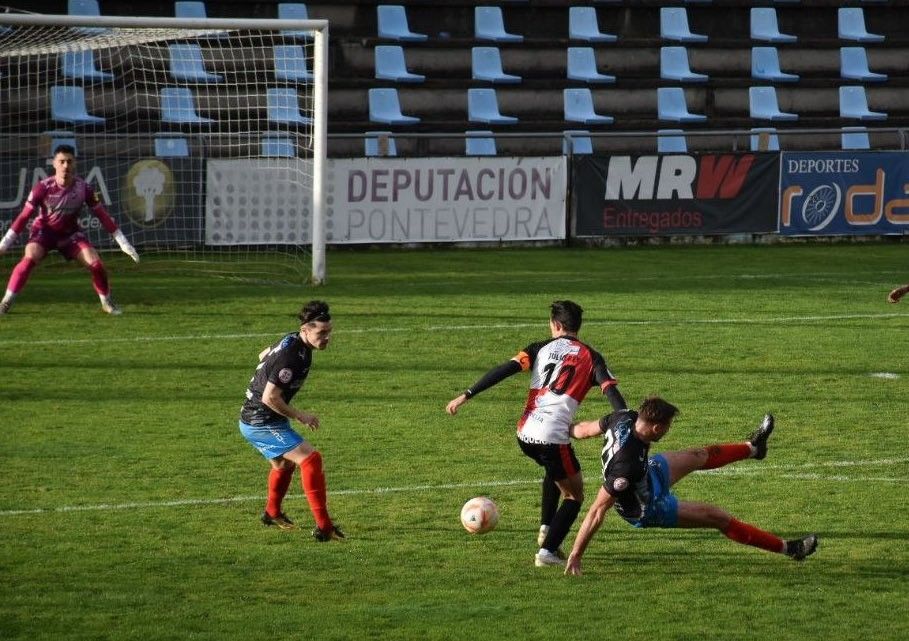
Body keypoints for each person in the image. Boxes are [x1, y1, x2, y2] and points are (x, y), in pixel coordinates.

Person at [446, 300, 627, 567]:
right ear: (577, 325)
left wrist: (467, 395)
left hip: (525, 432)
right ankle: (548, 552)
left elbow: (503, 370)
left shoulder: (539, 348)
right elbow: (611, 391)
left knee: (554, 471)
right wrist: (625, 420)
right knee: (574, 495)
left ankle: (546, 528)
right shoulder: (592, 357)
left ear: (555, 324)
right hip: (552, 436)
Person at [563, 397, 819, 576]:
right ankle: (791, 548)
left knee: (696, 455)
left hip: (647, 473)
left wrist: (560, 428)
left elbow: (584, 429)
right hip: (646, 506)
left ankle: (754, 448)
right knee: (717, 516)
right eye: (667, 427)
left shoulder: (623, 418)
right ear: (655, 427)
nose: (668, 431)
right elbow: (597, 511)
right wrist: (576, 554)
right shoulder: (625, 467)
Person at [239, 300, 344, 542]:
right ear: (306, 330)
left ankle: (272, 513)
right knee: (310, 459)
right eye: (321, 333)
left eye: (329, 332)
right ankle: (324, 527)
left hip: (261, 417)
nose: (327, 337)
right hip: (261, 421)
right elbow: (269, 397)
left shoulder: (292, 340)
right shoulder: (291, 356)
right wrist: (300, 415)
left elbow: (263, 354)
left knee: (284, 466)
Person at [0, 145, 140, 315]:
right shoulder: (42, 187)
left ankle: (107, 303)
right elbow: (23, 217)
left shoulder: (84, 188)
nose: (65, 165)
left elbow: (102, 215)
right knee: (29, 258)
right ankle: (6, 302)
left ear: (74, 164)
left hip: (71, 235)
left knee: (97, 265)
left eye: (69, 161)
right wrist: (4, 245)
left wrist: (123, 243)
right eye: (62, 161)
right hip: (44, 233)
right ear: (54, 164)